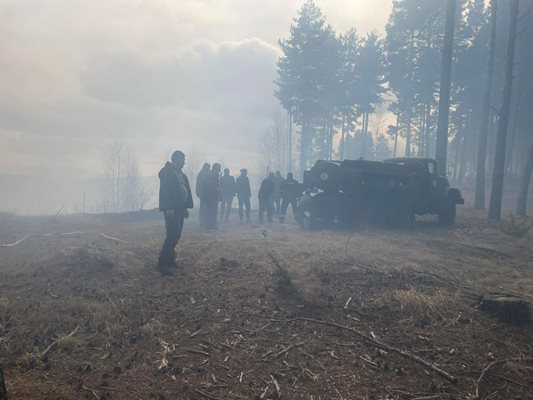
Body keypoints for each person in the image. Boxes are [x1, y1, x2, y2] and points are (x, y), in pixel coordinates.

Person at [158, 150, 193, 275]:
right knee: (172, 234)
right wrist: (168, 208)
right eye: (182, 160)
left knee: (177, 235)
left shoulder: (179, 173)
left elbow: (182, 191)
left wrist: (184, 208)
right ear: (176, 160)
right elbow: (166, 191)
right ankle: (162, 263)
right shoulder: (167, 172)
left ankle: (170, 260)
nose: (184, 163)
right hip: (171, 209)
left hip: (179, 208)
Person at [203, 163, 221, 229]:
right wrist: (217, 188)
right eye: (218, 168)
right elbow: (209, 186)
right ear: (215, 168)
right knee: (210, 212)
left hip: (214, 196)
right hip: (210, 197)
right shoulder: (210, 176)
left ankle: (213, 225)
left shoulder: (215, 176)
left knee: (214, 211)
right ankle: (209, 226)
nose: (219, 170)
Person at [196, 163, 210, 228]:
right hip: (203, 193)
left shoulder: (207, 174)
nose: (208, 169)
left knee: (206, 208)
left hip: (206, 193)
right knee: (203, 208)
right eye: (207, 167)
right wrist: (198, 192)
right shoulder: (201, 174)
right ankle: (202, 222)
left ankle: (205, 221)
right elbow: (199, 184)